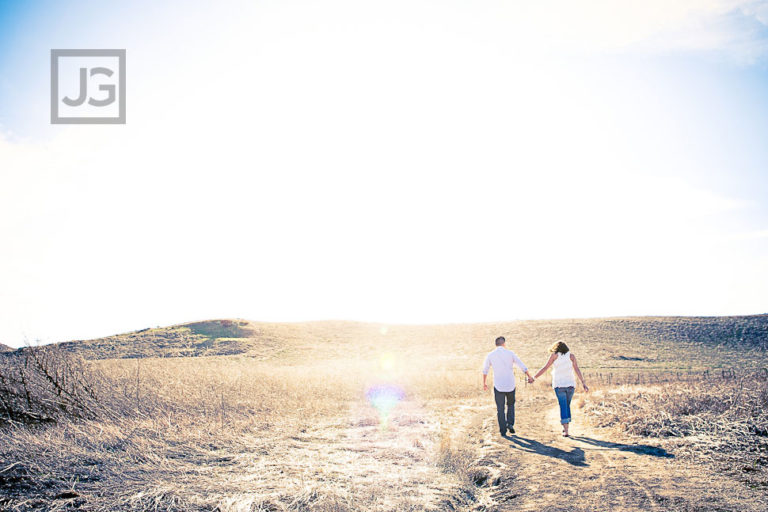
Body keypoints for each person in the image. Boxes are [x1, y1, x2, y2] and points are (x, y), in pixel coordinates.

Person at [532, 341, 588, 437]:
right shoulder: (571, 356)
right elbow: (577, 369)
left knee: (563, 406)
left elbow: (545, 368)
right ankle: (567, 427)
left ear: (556, 348)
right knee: (567, 405)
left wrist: (534, 377)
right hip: (570, 385)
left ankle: (565, 430)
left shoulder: (554, 356)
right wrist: (583, 383)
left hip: (559, 385)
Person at [482, 336, 534, 436]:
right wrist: (529, 376)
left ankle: (502, 430)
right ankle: (510, 423)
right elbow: (521, 365)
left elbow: (485, 370)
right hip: (510, 384)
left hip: (498, 385)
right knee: (510, 405)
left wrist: (484, 383)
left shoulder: (491, 355)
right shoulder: (510, 353)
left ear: (495, 344)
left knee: (500, 408)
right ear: (504, 343)